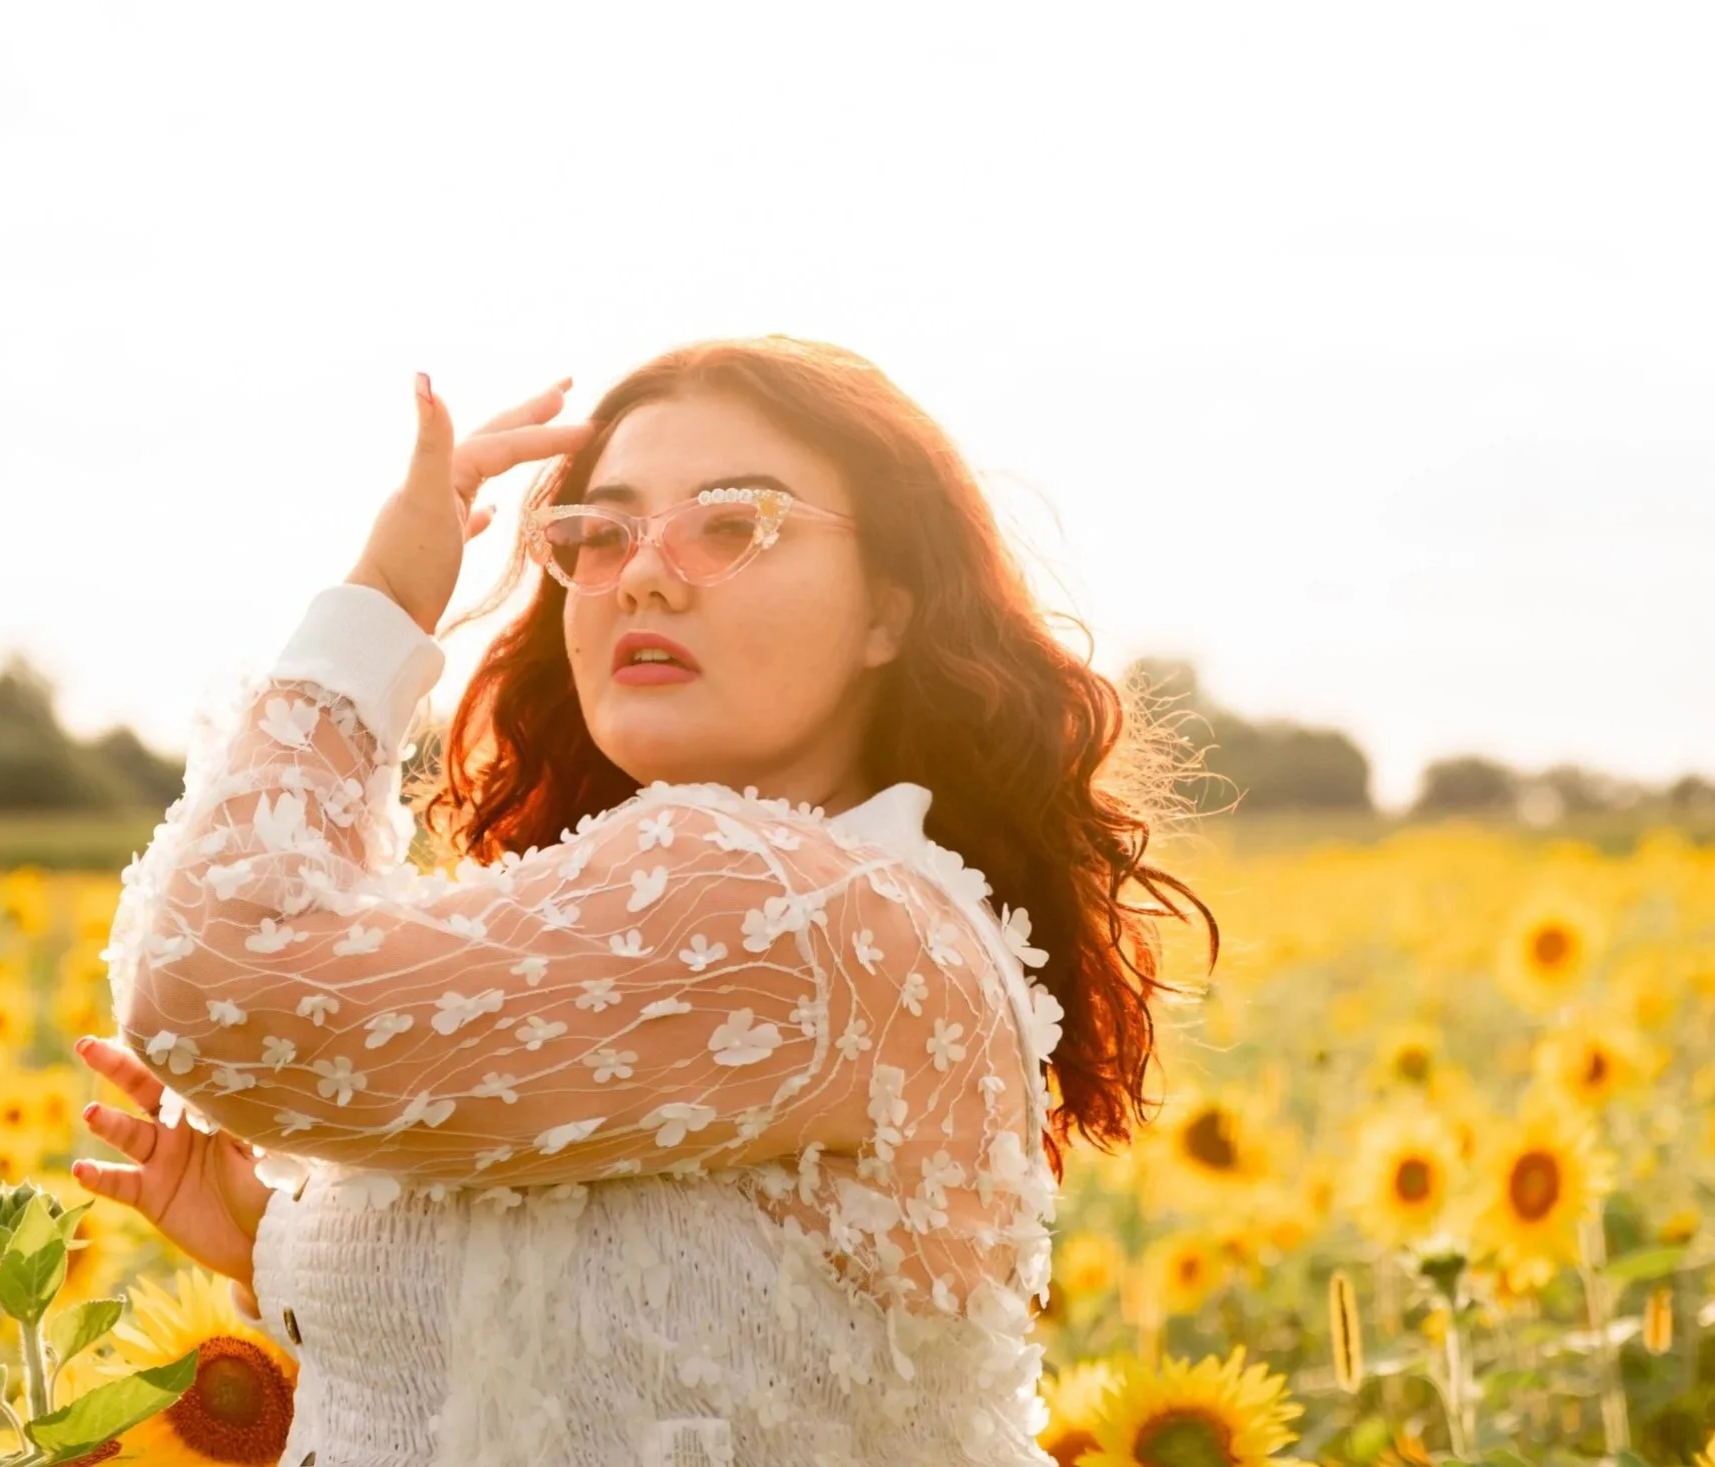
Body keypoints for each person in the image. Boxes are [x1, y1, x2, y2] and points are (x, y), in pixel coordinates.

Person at [71, 335, 1215, 1466]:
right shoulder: (816, 898)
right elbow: (590, 1374)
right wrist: (289, 1251)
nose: (647, 573)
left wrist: (379, 599)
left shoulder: (776, 898)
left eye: (732, 525)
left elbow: (209, 981)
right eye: (599, 535)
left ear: (889, 613)